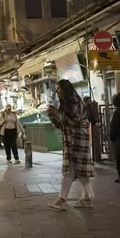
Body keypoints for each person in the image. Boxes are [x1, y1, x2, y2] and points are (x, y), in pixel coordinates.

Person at [47, 79, 94, 211]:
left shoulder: (74, 101)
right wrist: (51, 115)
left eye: (59, 88)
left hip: (78, 140)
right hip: (71, 140)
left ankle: (61, 200)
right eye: (56, 88)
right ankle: (87, 198)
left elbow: (74, 122)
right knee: (79, 171)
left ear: (65, 89)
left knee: (70, 172)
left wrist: (56, 112)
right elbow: (60, 124)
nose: (57, 90)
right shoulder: (65, 103)